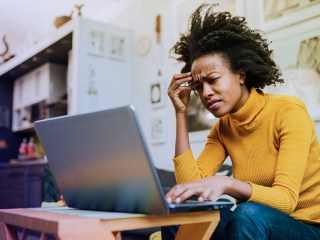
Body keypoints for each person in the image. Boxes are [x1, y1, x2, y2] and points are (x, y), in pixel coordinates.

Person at [161, 3, 320, 240]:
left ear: (241, 75)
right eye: (199, 86)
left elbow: (286, 201)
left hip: (307, 226)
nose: (206, 93)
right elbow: (189, 188)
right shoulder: (223, 129)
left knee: (248, 213)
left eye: (213, 79)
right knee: (184, 214)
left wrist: (226, 184)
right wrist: (180, 114)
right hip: (256, 221)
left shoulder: (289, 111)